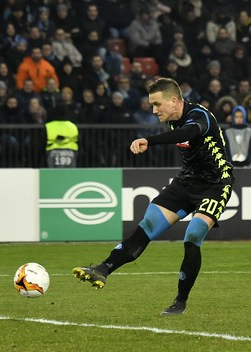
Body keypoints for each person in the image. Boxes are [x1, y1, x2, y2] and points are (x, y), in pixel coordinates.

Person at [73, 77, 235, 315]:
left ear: (173, 101)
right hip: (186, 182)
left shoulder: (200, 117)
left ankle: (180, 302)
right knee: (148, 225)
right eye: (152, 105)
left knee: (193, 234)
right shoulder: (172, 117)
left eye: (157, 104)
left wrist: (148, 140)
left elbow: (187, 133)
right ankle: (103, 269)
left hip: (216, 184)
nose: (154, 110)